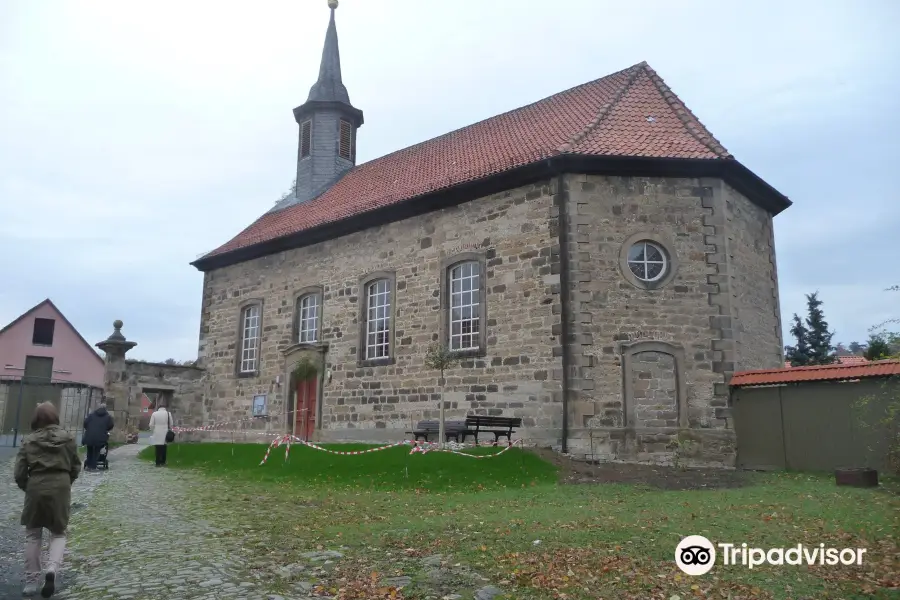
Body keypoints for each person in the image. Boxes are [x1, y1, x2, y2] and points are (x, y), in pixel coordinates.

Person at [14, 402, 80, 598]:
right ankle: (52, 569)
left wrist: (28, 487)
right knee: (58, 533)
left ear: (36, 419)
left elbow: (19, 472)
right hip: (60, 485)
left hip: (36, 485)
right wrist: (67, 482)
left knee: (33, 535)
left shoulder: (29, 441)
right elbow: (76, 466)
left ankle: (31, 582)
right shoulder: (68, 439)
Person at [82, 403, 114, 471]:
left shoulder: (91, 415)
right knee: (97, 451)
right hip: (100, 436)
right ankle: (93, 466)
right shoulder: (108, 417)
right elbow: (111, 425)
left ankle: (89, 465)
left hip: (89, 436)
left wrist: (89, 429)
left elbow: (85, 423)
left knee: (89, 450)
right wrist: (105, 430)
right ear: (105, 409)